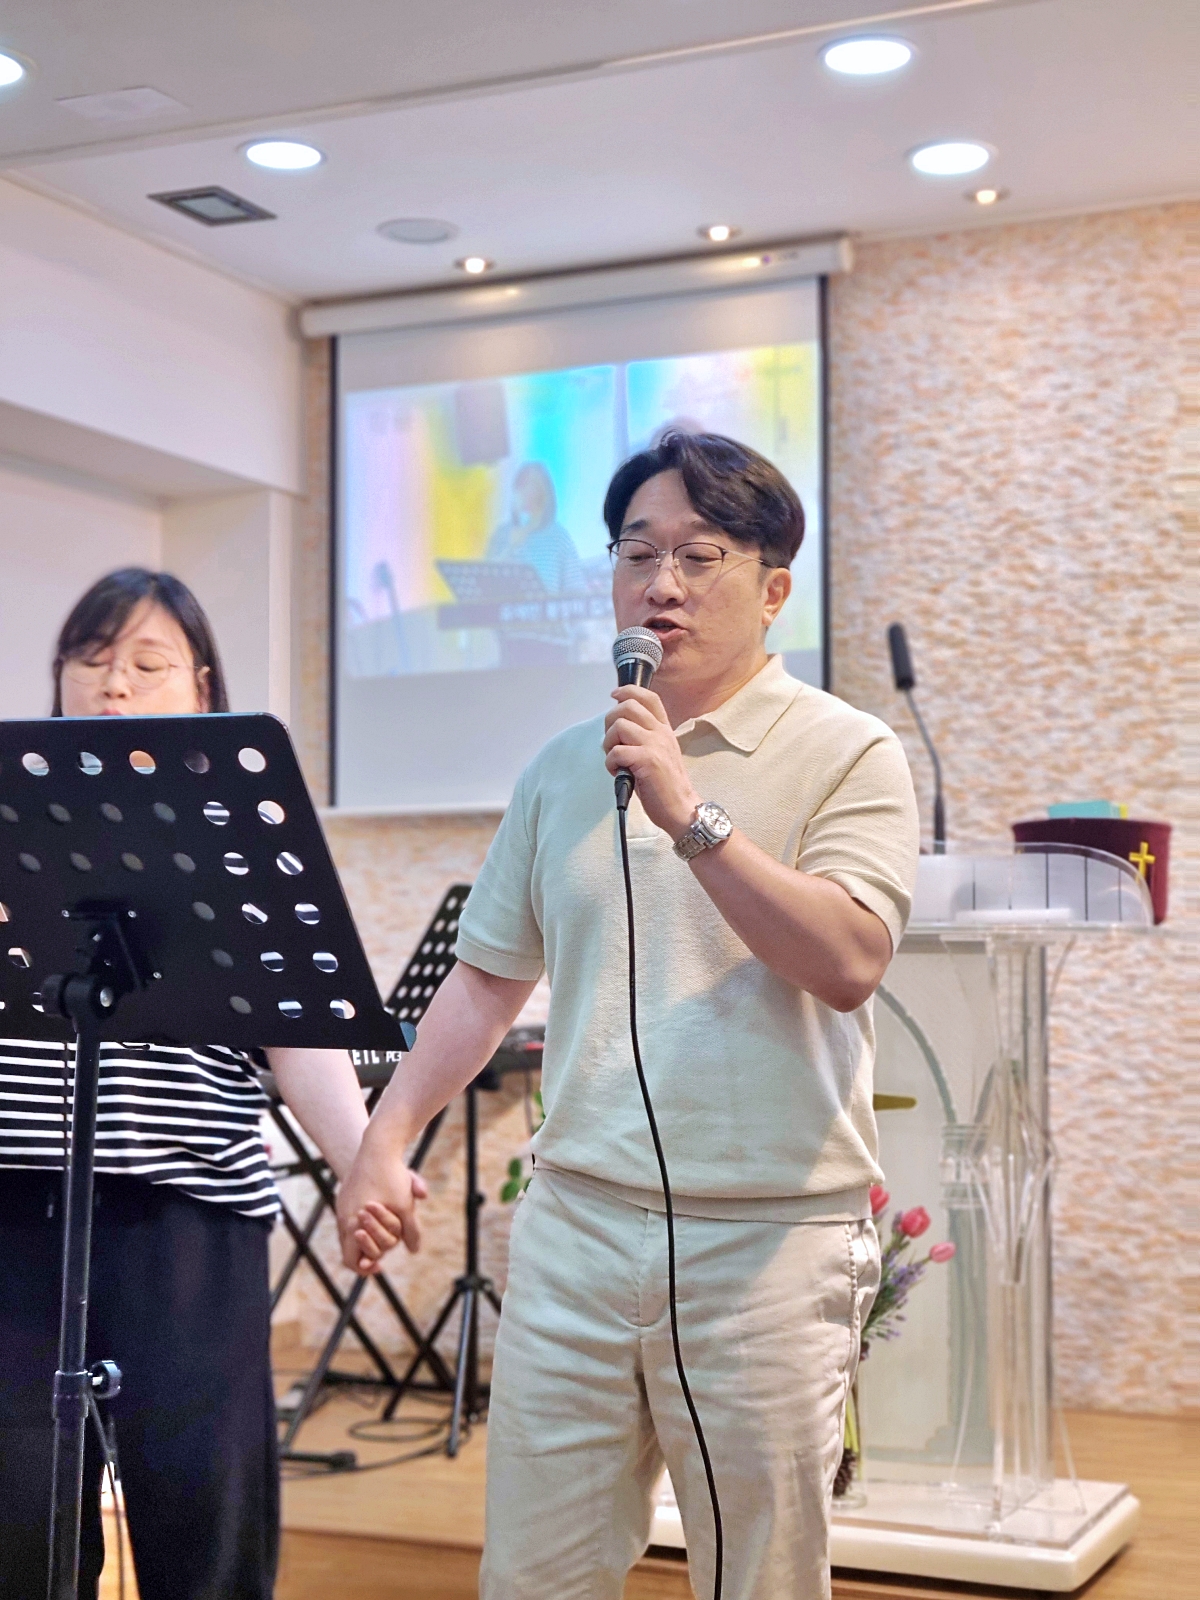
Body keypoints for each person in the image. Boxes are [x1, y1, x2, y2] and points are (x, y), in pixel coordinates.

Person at [338, 432, 920, 1600]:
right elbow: (486, 980)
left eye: (700, 556)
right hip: (577, 1230)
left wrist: (690, 812)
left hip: (765, 1243)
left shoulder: (848, 750)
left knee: (758, 1578)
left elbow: (850, 960)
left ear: (773, 589)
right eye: (639, 553)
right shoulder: (564, 768)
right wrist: (384, 1136)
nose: (663, 583)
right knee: (534, 1577)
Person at [0, 569, 402, 1600]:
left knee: (201, 1511)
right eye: (92, 660)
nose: (114, 685)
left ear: (201, 685)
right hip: (16, 1200)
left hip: (190, 1205)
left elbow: (296, 1028)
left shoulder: (236, 822)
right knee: (20, 1521)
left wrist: (363, 1160)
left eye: (148, 663)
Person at [487, 461, 584, 596]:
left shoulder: (558, 537)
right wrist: (510, 547)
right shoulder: (502, 535)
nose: (527, 494)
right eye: (522, 486)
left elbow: (576, 591)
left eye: (534, 488)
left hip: (546, 610)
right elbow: (485, 584)